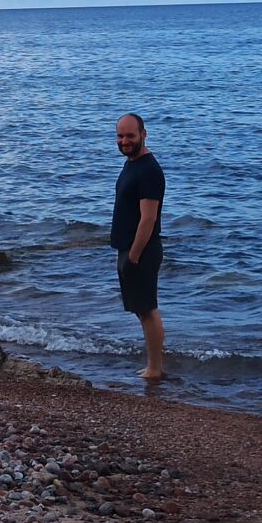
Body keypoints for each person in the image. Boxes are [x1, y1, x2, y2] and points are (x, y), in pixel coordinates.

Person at [110, 112, 165, 382]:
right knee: (141, 310)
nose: (124, 141)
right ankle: (152, 366)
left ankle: (155, 369)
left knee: (147, 309)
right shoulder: (132, 163)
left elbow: (149, 218)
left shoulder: (149, 170)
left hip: (141, 250)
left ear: (144, 134)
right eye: (120, 136)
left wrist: (133, 256)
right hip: (128, 249)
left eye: (130, 135)